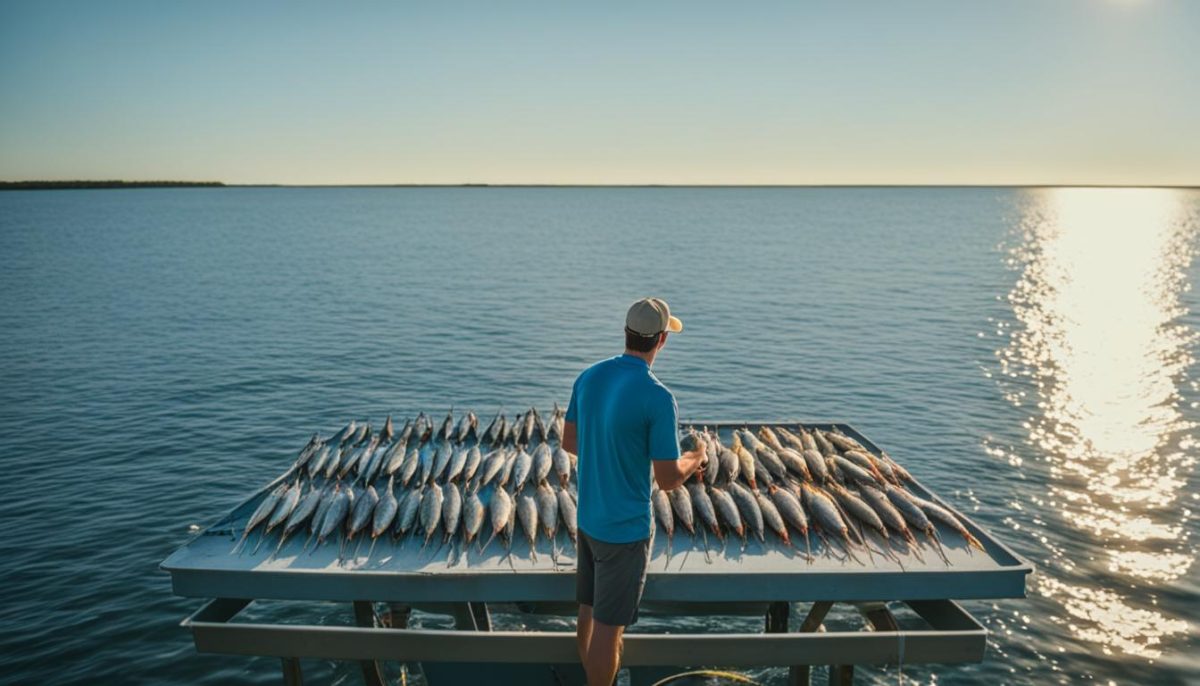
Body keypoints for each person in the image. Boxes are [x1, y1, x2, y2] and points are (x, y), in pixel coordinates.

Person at [560, 297, 707, 686]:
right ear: (662, 341)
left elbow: (570, 442)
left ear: (626, 333)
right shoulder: (658, 397)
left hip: (589, 521)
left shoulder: (588, 376)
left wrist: (611, 447)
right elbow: (668, 478)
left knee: (587, 617)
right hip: (624, 533)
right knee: (610, 632)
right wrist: (696, 456)